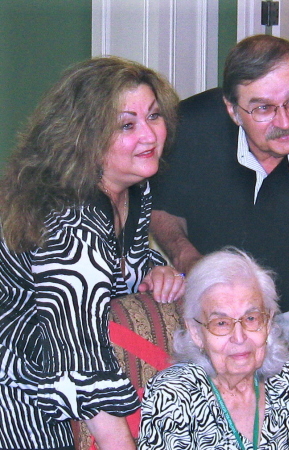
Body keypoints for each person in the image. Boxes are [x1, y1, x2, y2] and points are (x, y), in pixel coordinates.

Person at [150, 34, 289, 442]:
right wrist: (187, 259)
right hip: (220, 311)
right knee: (219, 425)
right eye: (264, 108)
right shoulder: (187, 131)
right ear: (232, 110)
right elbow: (160, 207)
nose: (286, 120)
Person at [0, 56, 185, 450]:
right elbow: (79, 362)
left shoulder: (132, 189)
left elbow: (114, 267)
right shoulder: (72, 221)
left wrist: (154, 268)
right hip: (18, 380)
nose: (149, 136)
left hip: (50, 363)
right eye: (126, 125)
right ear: (85, 136)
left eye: (154, 116)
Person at [138, 247, 289, 450]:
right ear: (195, 332)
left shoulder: (287, 375)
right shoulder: (172, 394)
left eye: (251, 318)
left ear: (269, 322)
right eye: (221, 323)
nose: (239, 337)